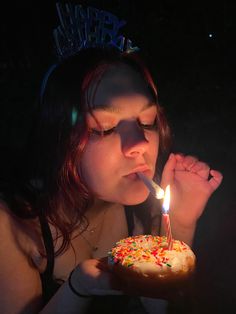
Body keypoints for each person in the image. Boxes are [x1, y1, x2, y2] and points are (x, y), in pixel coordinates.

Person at [0, 24, 223, 314]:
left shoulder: (144, 206)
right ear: (59, 138)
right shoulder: (12, 225)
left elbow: (160, 309)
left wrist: (181, 224)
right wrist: (77, 288)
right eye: (104, 128)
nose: (140, 143)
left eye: (147, 122)